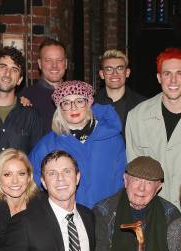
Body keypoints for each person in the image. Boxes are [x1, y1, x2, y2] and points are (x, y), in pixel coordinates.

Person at [125, 48, 181, 209]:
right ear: (159, 78)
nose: (173, 80)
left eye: (179, 73)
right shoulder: (137, 116)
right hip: (153, 208)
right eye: (167, 73)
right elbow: (135, 171)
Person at [30, 80, 126, 209]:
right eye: (66, 103)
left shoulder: (113, 139)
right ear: (59, 109)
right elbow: (33, 184)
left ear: (89, 104)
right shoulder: (47, 145)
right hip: (67, 218)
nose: (73, 107)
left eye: (79, 101)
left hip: (106, 217)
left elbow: (122, 182)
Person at [94, 49, 146, 135]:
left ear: (127, 73)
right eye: (109, 69)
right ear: (102, 74)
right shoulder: (90, 105)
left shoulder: (142, 105)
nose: (115, 73)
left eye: (120, 68)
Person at [21, 38, 67, 131]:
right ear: (39, 63)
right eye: (48, 60)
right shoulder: (26, 97)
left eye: (59, 60)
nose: (54, 65)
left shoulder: (77, 95)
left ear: (66, 63)